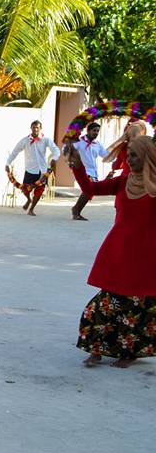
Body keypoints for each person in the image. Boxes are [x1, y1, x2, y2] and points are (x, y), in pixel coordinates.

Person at [68, 135, 156, 368]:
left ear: (147, 156)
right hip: (119, 251)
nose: (130, 159)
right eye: (129, 155)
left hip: (145, 257)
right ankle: (95, 349)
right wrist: (78, 167)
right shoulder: (123, 181)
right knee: (98, 308)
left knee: (135, 311)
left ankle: (128, 354)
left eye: (135, 155)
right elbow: (89, 189)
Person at [6, 120, 60, 216]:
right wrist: (8, 163)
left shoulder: (46, 139)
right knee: (25, 189)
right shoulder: (25, 140)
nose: (35, 129)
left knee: (39, 191)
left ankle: (31, 209)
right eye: (34, 127)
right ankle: (28, 199)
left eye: (37, 127)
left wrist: (54, 158)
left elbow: (55, 149)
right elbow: (15, 151)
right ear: (31, 128)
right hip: (30, 170)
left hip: (43, 171)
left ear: (40, 129)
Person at [70, 122, 108, 221]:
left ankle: (76, 210)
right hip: (82, 170)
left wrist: (117, 149)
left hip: (93, 172)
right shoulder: (79, 141)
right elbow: (67, 150)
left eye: (97, 131)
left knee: (90, 192)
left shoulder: (97, 144)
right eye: (94, 130)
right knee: (88, 190)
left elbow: (106, 155)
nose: (96, 133)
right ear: (88, 131)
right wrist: (71, 160)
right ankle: (76, 211)